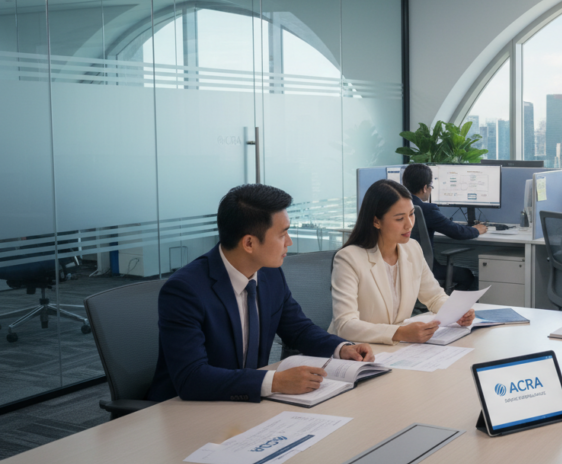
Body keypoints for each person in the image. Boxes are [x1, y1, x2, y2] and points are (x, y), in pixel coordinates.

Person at [148, 184, 374, 403]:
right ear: (249, 243)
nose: (289, 242)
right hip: (186, 412)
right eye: (282, 234)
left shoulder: (269, 275)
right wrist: (274, 382)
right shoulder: (185, 291)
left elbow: (299, 329)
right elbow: (192, 378)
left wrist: (342, 348)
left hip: (245, 405)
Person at [330, 179, 475, 345]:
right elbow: (344, 325)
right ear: (376, 221)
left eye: (412, 214)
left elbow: (434, 296)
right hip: (357, 350)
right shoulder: (349, 259)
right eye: (399, 219)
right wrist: (400, 333)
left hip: (395, 349)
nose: (409, 224)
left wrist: (457, 312)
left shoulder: (412, 248)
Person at [402, 163, 486, 292]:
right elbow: (457, 232)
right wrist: (476, 230)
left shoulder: (395, 206)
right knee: (468, 276)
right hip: (424, 269)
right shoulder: (426, 209)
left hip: (400, 268)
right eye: (431, 187)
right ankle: (448, 307)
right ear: (425, 188)